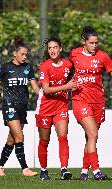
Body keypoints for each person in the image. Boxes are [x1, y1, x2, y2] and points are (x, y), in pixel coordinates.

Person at [69, 26, 112, 181]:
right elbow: (64, 66)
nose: (94, 45)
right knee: (93, 134)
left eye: (96, 43)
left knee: (90, 138)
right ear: (83, 42)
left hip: (98, 101)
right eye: (91, 43)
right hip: (80, 100)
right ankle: (97, 171)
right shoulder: (74, 54)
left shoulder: (103, 56)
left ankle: (84, 171)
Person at [0, 36, 39, 177]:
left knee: (12, 139)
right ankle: (25, 169)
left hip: (22, 107)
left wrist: (45, 98)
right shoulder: (5, 68)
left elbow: (35, 87)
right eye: (22, 54)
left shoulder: (28, 68)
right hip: (9, 106)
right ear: (14, 54)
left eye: (26, 54)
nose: (25, 56)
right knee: (19, 136)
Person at [35, 37, 78, 180]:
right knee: (44, 141)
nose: (52, 50)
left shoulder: (67, 64)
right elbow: (46, 90)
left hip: (61, 107)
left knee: (63, 137)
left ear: (60, 49)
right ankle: (43, 170)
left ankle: (64, 169)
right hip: (45, 109)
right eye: (50, 48)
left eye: (55, 47)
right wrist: (67, 87)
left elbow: (80, 68)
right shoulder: (44, 66)